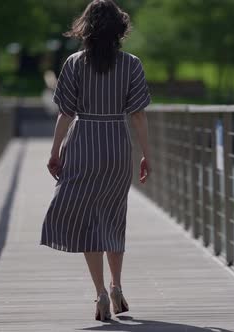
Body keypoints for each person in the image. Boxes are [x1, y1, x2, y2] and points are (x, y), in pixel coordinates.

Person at [39, 0, 151, 322]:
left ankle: (101, 292)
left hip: (83, 142)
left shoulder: (74, 63)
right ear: (119, 29)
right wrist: (147, 154)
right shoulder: (132, 64)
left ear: (85, 29)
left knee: (89, 220)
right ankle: (117, 287)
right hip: (116, 144)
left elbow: (66, 112)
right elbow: (139, 114)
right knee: (114, 216)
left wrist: (55, 150)